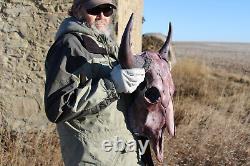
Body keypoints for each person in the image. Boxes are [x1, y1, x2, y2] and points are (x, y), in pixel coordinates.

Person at [44, 0, 146, 165]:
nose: (102, 16)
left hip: (124, 152)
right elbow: (58, 107)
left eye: (107, 10)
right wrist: (112, 85)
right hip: (93, 157)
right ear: (77, 9)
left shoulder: (108, 44)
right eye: (94, 9)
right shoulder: (69, 44)